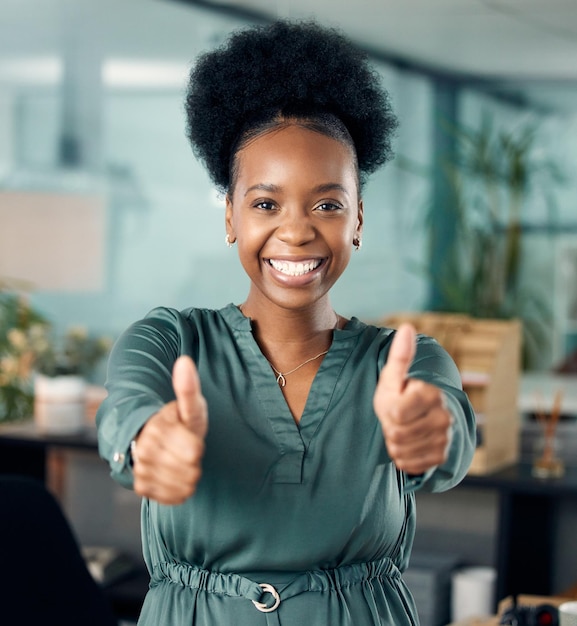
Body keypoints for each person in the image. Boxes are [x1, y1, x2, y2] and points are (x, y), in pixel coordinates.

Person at [96, 19, 476, 626]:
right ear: (230, 216)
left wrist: (433, 433)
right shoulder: (169, 342)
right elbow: (126, 408)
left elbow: (449, 427)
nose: (296, 230)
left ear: (358, 219)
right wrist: (147, 440)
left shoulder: (404, 360)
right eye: (266, 203)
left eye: (327, 204)